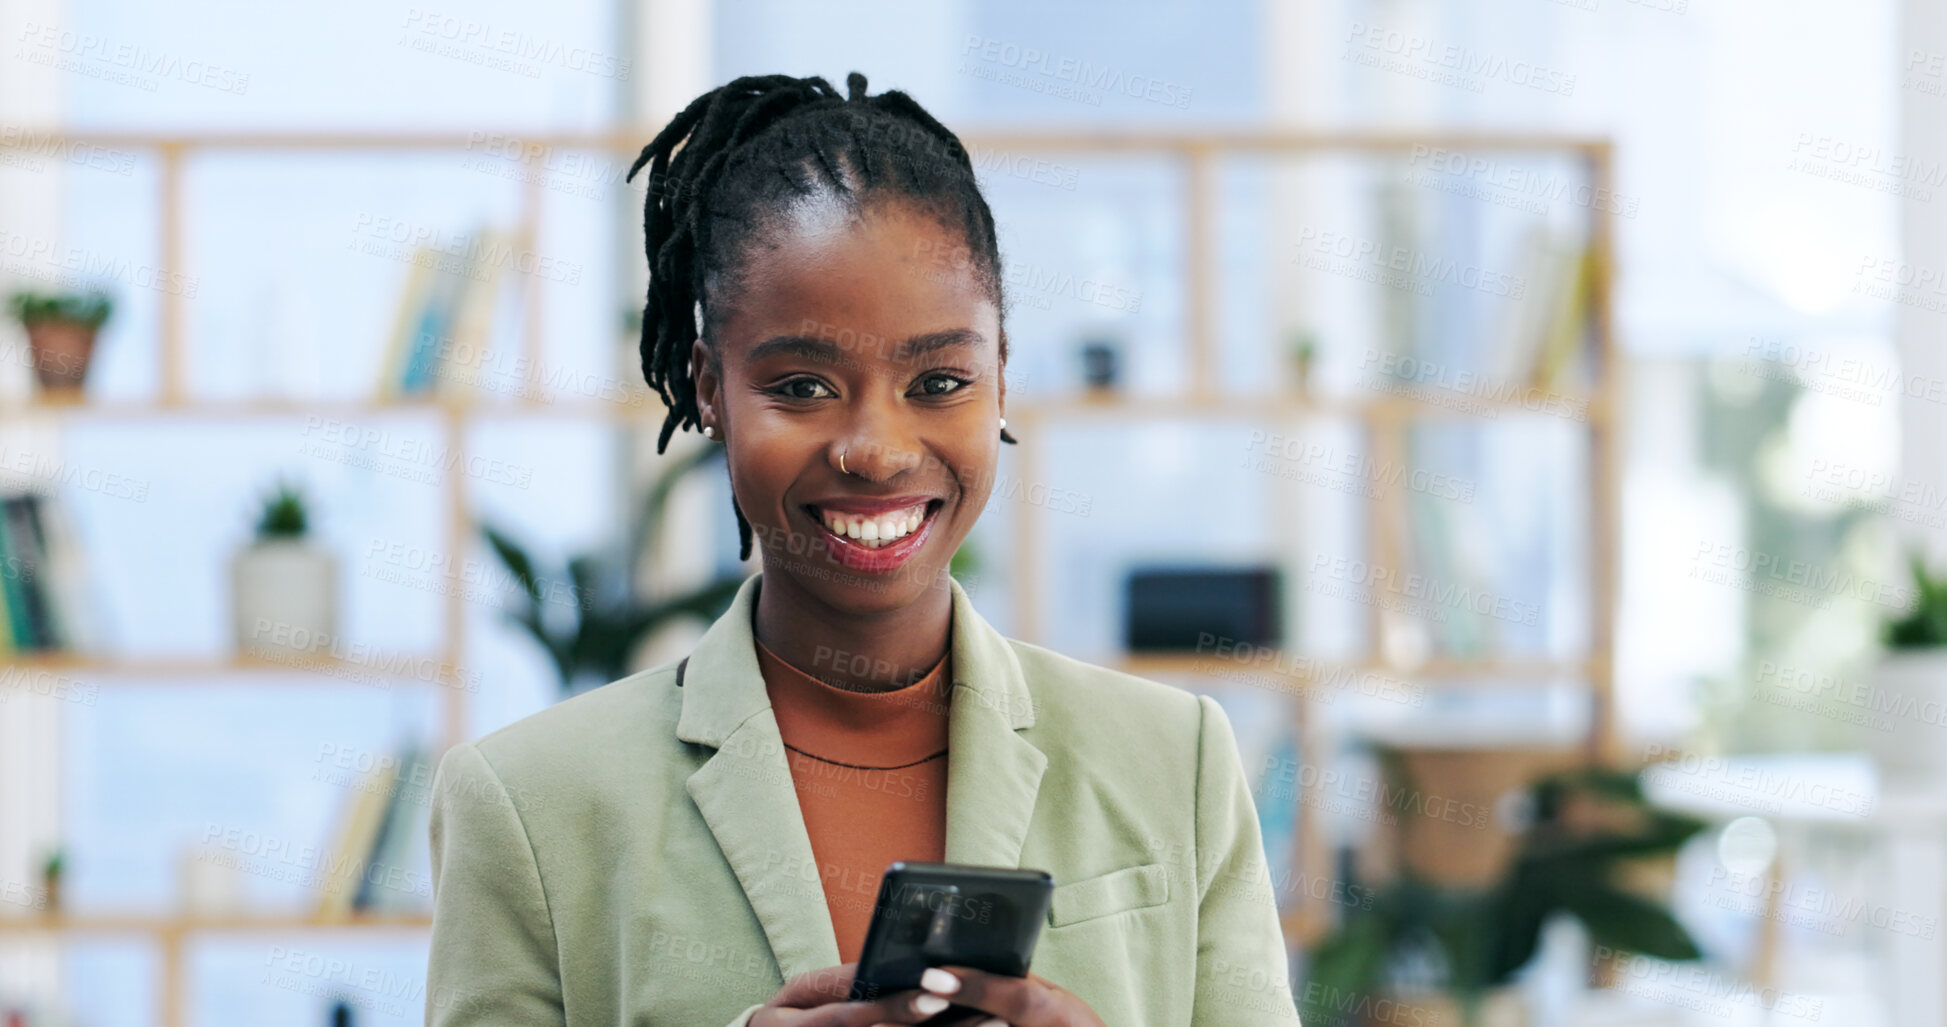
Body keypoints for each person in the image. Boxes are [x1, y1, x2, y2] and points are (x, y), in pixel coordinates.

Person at [424, 71, 1302, 1027]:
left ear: (1000, 378)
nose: (876, 450)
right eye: (800, 386)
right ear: (708, 387)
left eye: (937, 380)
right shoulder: (526, 803)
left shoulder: (1178, 763)